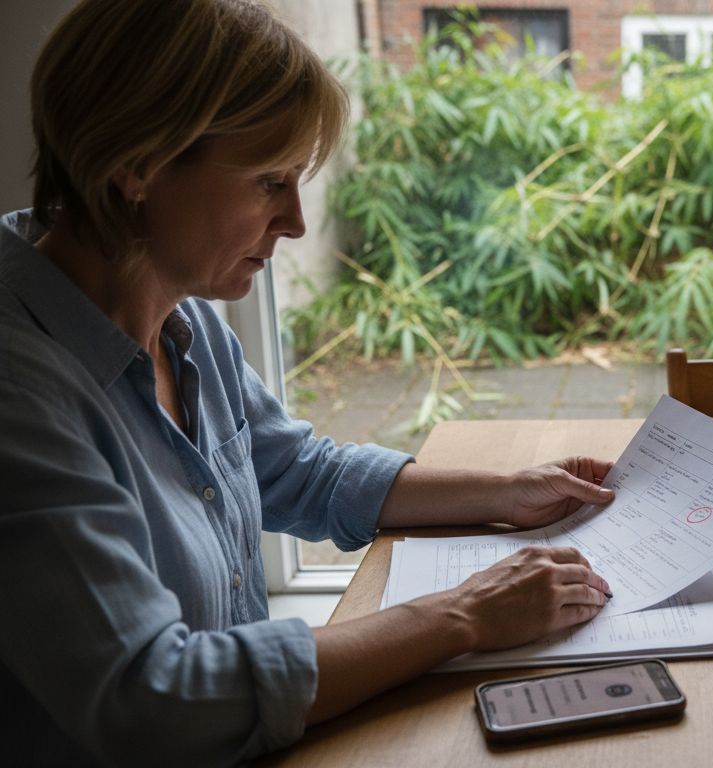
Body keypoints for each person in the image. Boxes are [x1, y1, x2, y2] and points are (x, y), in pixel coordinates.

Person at [0, 0, 618, 763]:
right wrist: (466, 615)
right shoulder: (20, 391)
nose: (294, 220)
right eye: (269, 182)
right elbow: (149, 695)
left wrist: (508, 492)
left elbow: (293, 469)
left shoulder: (175, 309)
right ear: (137, 165)